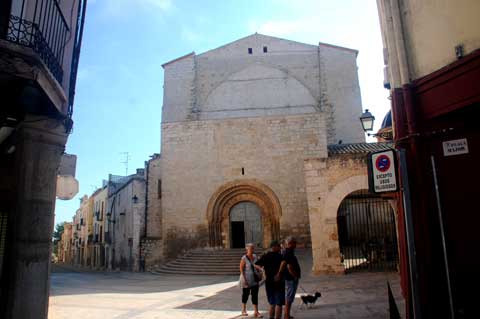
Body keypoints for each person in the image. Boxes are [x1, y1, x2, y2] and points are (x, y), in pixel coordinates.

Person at [256, 240, 285, 319]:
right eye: (278, 246)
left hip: (269, 282)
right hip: (279, 282)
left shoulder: (266, 255)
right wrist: (279, 274)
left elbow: (256, 264)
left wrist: (263, 271)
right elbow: (284, 264)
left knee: (272, 303)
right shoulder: (280, 256)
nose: (280, 248)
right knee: (279, 303)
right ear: (274, 247)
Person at [239, 243, 263, 318]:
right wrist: (245, 280)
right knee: (245, 295)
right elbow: (241, 269)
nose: (252, 249)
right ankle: (243, 310)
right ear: (247, 249)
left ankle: (256, 311)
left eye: (253, 248)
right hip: (247, 280)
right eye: (251, 248)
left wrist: (260, 270)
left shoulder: (255, 256)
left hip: (255, 279)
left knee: (255, 296)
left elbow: (258, 265)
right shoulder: (244, 258)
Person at [280, 236, 301, 319]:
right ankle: (286, 315)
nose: (296, 244)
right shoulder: (288, 252)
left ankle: (287, 314)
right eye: (294, 243)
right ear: (290, 243)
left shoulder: (289, 252)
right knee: (289, 297)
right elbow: (289, 266)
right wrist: (295, 276)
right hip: (291, 278)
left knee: (289, 297)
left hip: (290, 278)